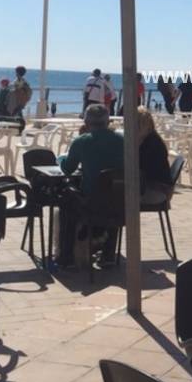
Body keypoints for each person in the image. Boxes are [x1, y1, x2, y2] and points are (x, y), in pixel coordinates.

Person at [56, 104, 124, 268]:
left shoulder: (82, 141)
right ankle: (108, 255)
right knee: (113, 194)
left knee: (65, 204)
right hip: (120, 203)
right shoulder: (123, 141)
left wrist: (61, 160)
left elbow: (68, 168)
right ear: (108, 121)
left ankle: (67, 257)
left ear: (86, 122)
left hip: (90, 203)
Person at [136, 108, 173, 206]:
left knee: (122, 198)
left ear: (146, 125)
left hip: (159, 190)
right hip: (151, 186)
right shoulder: (147, 138)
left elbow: (141, 168)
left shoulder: (152, 143)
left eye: (138, 125)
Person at [7, 65, 33, 130]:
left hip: (17, 100)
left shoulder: (21, 81)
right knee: (18, 113)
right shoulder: (21, 81)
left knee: (15, 113)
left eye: (16, 72)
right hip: (19, 100)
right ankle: (18, 128)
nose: (16, 73)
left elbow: (16, 88)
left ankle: (17, 128)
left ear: (18, 72)